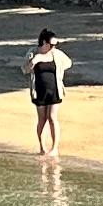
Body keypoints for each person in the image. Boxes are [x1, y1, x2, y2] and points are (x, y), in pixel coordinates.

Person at [26, 27, 73, 155]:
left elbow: (68, 63)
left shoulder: (57, 54)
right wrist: (34, 61)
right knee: (42, 119)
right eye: (51, 45)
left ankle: (54, 148)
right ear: (44, 43)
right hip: (39, 90)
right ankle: (42, 147)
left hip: (54, 89)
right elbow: (25, 70)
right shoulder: (33, 52)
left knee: (52, 118)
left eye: (55, 45)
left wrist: (60, 70)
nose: (53, 47)